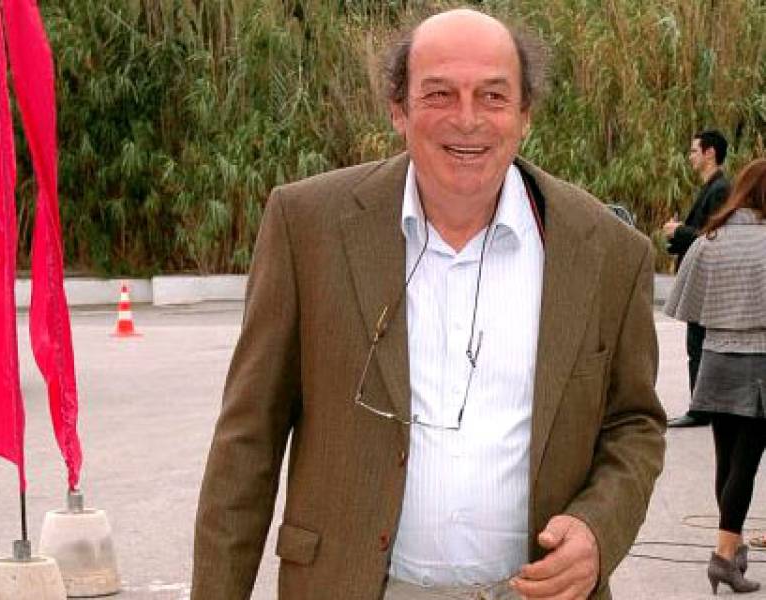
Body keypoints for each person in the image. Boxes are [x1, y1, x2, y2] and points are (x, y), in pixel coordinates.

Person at [193, 8, 665, 600]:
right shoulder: (308, 226)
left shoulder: (609, 252)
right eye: (439, 94)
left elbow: (633, 424)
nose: (467, 119)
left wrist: (599, 528)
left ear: (525, 114)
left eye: (493, 96)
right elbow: (248, 440)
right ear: (399, 109)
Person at [665, 158, 766, 595]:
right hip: (760, 362)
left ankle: (734, 547)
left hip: (716, 359)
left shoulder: (709, 239)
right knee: (746, 463)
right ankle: (723, 556)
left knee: (727, 459)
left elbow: (681, 306)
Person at [662, 129, 731, 428]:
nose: (690, 157)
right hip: (702, 276)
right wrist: (676, 237)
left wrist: (679, 231)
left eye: (693, 151)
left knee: (699, 343)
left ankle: (701, 408)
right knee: (698, 343)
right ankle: (703, 405)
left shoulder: (720, 190)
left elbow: (713, 236)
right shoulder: (712, 188)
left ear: (709, 152)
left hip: (708, 280)